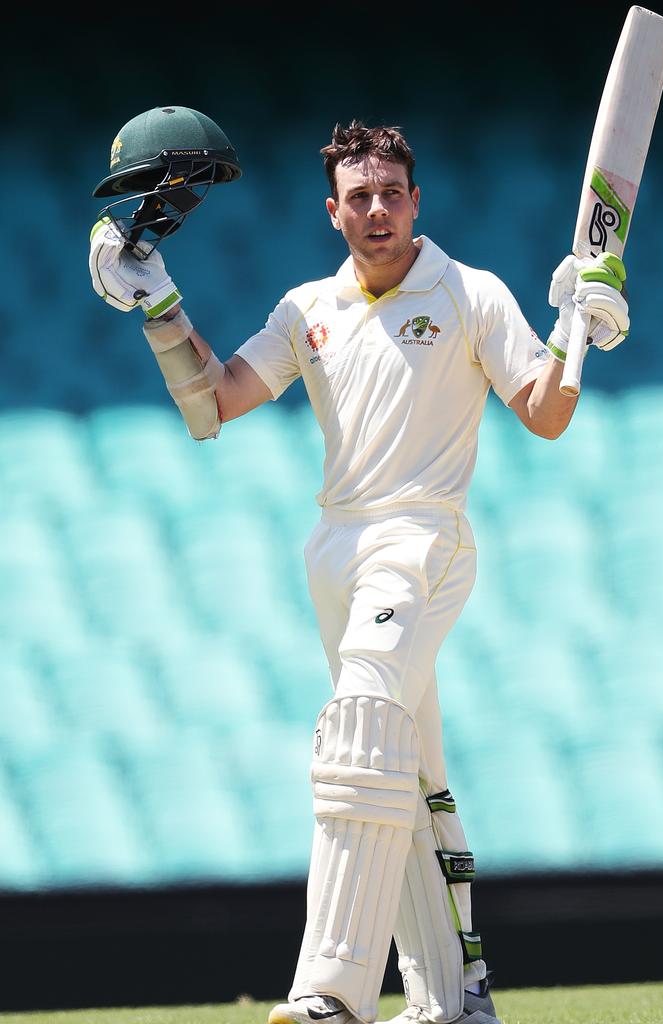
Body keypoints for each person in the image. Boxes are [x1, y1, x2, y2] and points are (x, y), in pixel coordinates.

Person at [89, 118, 629, 1024]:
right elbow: (214, 405)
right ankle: (456, 999)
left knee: (360, 727)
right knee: (404, 769)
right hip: (335, 550)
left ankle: (331, 993)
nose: (377, 210)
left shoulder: (470, 293)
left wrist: (577, 332)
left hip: (423, 537)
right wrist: (159, 309)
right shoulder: (308, 309)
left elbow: (543, 415)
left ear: (415, 201)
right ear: (332, 211)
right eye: (359, 197)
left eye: (392, 193)